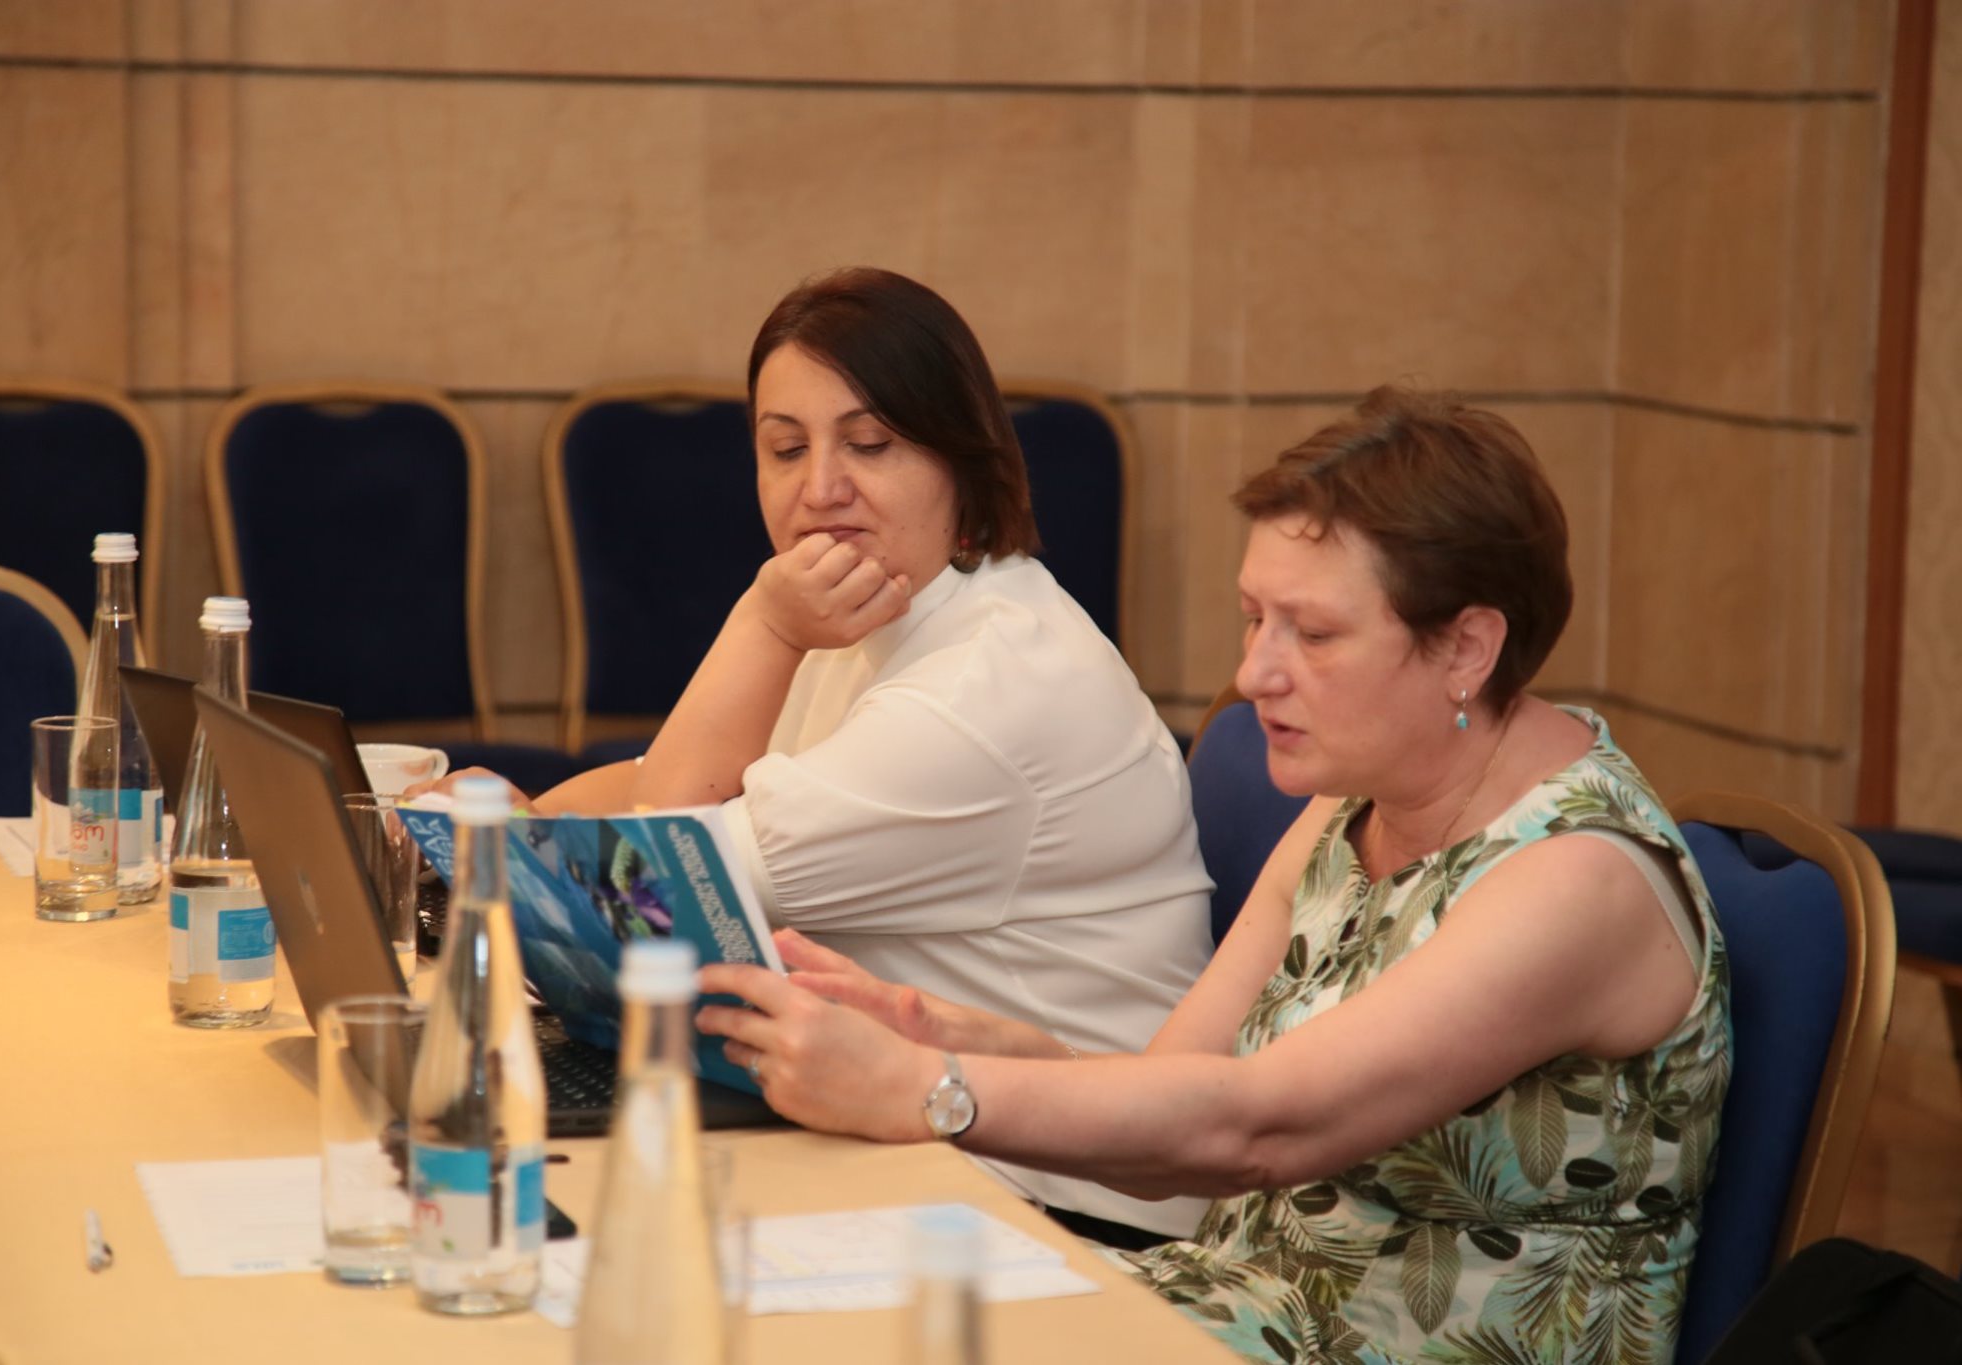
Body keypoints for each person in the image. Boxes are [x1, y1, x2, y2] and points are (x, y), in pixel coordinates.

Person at [696, 387, 1733, 1365]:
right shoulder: (1355, 801)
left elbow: (1257, 1125)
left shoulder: (1575, 878)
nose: (1253, 674)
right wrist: (938, 1037)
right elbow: (1168, 1113)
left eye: (1312, 633)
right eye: (1253, 618)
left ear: (1466, 646)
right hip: (1234, 1307)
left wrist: (927, 1090)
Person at [448, 267, 1215, 1240]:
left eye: (870, 444)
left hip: (1073, 1201)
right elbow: (663, 778)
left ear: (962, 461)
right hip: (932, 1139)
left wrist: (762, 623)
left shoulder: (978, 696)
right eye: (784, 449)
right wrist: (507, 819)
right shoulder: (886, 605)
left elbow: (650, 892)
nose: (819, 490)